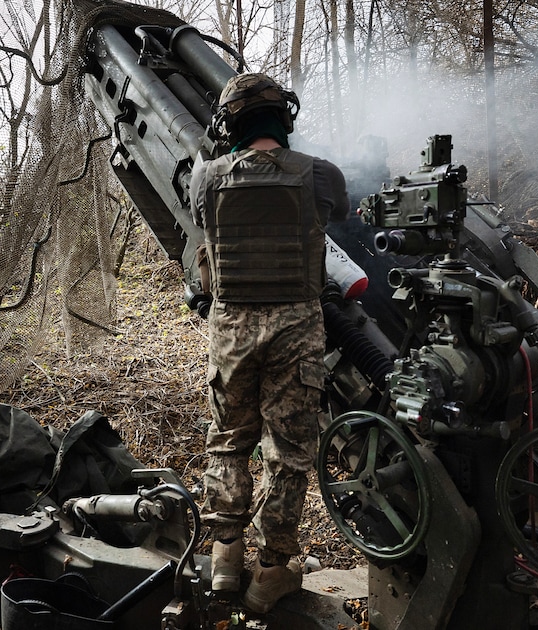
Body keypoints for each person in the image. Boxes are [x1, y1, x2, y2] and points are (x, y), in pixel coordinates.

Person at [189, 72, 348, 613]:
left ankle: (225, 557)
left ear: (229, 124)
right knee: (287, 453)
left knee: (229, 437)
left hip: (231, 329)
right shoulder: (319, 175)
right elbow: (341, 214)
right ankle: (271, 572)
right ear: (286, 118)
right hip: (295, 330)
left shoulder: (205, 178)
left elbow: (201, 226)